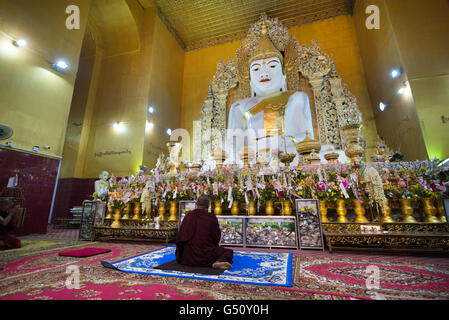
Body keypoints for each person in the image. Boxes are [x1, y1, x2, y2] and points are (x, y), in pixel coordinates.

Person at [176, 195, 233, 269]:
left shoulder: (188, 215)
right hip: (206, 257)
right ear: (208, 205)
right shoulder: (211, 217)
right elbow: (216, 237)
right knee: (228, 252)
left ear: (196, 204)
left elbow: (180, 236)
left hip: (187, 257)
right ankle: (217, 262)